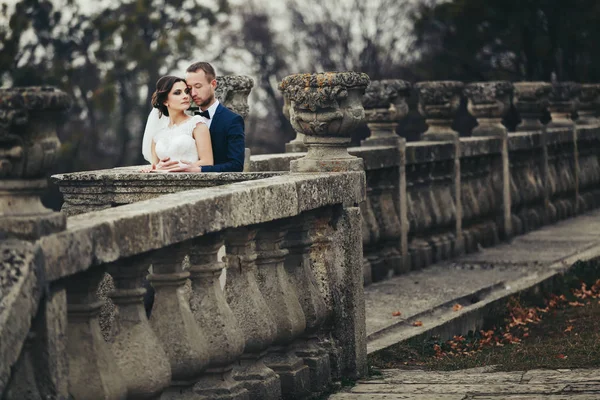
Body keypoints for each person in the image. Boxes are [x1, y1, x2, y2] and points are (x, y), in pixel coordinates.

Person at [153, 62, 245, 172]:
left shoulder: (232, 120)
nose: (193, 93)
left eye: (198, 86)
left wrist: (198, 169)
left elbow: (236, 165)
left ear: (213, 84)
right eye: (189, 89)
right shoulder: (190, 121)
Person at [141, 76, 213, 172]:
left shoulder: (197, 124)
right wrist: (152, 168)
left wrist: (178, 168)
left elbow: (207, 162)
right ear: (165, 101)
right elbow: (155, 166)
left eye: (186, 91)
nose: (186, 96)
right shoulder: (157, 135)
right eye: (177, 93)